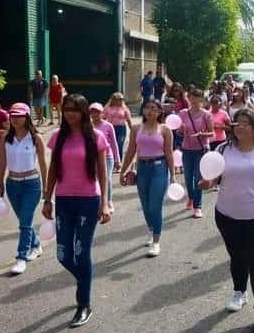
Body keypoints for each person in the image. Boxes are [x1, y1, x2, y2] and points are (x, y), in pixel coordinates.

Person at [200, 109, 254, 324]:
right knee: (237, 257)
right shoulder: (222, 149)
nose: (240, 127)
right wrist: (206, 183)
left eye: (246, 123)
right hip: (227, 215)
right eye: (237, 123)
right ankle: (239, 292)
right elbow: (213, 178)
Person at [42, 94, 111, 328]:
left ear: (83, 111)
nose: (70, 113)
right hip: (63, 201)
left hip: (88, 201)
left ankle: (84, 303)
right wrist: (47, 199)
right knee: (63, 255)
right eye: (66, 109)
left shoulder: (96, 137)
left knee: (82, 254)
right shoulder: (57, 137)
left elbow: (103, 173)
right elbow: (52, 169)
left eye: (75, 109)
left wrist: (105, 203)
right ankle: (85, 280)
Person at [0, 103, 48, 275]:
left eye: (19, 115)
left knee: (25, 222)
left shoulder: (35, 138)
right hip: (12, 185)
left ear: (27, 117)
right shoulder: (5, 138)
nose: (15, 119)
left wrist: (47, 186)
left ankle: (21, 258)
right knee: (24, 222)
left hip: (32, 184)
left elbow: (43, 162)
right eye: (13, 115)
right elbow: (2, 162)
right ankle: (36, 245)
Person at [120, 99, 175, 257]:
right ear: (143, 111)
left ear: (159, 112)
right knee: (145, 205)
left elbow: (169, 152)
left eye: (154, 108)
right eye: (147, 108)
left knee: (154, 206)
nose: (150, 111)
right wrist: (123, 171)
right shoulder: (137, 128)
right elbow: (130, 151)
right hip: (142, 168)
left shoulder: (165, 129)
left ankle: (156, 242)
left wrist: (172, 175)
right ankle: (151, 231)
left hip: (159, 168)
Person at [178, 89, 213, 219]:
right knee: (187, 178)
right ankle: (191, 198)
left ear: (201, 99)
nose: (193, 99)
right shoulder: (183, 113)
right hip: (186, 149)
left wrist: (202, 134)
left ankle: (197, 206)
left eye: (196, 97)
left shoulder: (206, 115)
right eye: (190, 97)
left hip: (201, 149)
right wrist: (180, 131)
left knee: (198, 178)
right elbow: (178, 132)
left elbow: (212, 132)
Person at [89, 103, 120, 212]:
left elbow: (114, 143)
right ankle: (99, 201)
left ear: (102, 113)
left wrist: (117, 160)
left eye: (97, 112)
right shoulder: (88, 126)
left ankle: (109, 201)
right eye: (92, 112)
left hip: (107, 156)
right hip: (93, 157)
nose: (95, 114)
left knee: (107, 179)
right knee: (95, 179)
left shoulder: (108, 126)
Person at [103, 93, 133, 163]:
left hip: (121, 128)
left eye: (121, 99)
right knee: (110, 145)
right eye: (119, 99)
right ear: (114, 99)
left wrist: (132, 130)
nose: (121, 101)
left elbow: (129, 120)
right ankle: (111, 161)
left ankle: (118, 162)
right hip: (110, 128)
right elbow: (103, 117)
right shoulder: (108, 107)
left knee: (119, 144)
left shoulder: (124, 108)